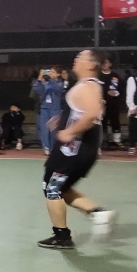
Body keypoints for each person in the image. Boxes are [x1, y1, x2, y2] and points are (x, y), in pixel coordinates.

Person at [38, 49, 115, 249]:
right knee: (60, 187)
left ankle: (62, 236)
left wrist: (69, 131)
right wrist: (62, 120)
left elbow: (91, 114)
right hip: (80, 149)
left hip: (72, 150)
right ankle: (98, 213)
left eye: (81, 57)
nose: (76, 59)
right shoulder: (90, 85)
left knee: (52, 188)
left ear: (91, 64)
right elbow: (85, 112)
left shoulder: (87, 86)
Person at [33, 67, 63, 155]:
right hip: (45, 108)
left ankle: (54, 147)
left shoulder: (60, 83)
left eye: (53, 72)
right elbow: (37, 89)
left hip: (55, 109)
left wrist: (52, 79)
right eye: (50, 72)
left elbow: (58, 89)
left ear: (58, 74)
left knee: (53, 129)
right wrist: (40, 78)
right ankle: (46, 147)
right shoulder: (46, 83)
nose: (50, 73)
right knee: (44, 129)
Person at [99, 57, 123, 149]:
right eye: (103, 63)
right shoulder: (98, 76)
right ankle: (103, 141)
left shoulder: (115, 76)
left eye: (106, 63)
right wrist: (105, 93)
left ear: (110, 64)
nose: (104, 65)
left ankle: (117, 141)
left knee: (115, 121)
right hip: (101, 104)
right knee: (102, 122)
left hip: (113, 104)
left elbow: (121, 88)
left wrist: (116, 93)